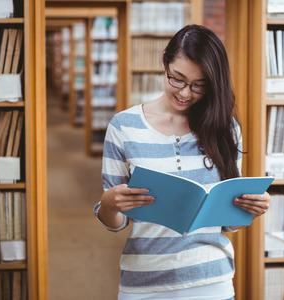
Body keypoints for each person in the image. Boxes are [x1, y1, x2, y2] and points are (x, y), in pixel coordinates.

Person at [94, 24, 271, 300]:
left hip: (213, 281)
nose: (186, 93)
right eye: (177, 78)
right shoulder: (123, 126)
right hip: (145, 283)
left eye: (199, 85)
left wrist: (250, 208)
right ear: (164, 60)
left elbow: (227, 224)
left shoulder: (226, 128)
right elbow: (115, 222)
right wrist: (108, 203)